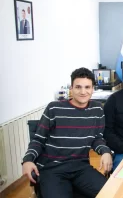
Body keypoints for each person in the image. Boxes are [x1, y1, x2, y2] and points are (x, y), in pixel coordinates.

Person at [21, 68, 113, 198]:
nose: (83, 92)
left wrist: (105, 151)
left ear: (93, 89)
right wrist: (27, 160)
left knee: (111, 193)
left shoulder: (97, 109)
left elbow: (97, 138)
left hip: (81, 167)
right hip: (52, 169)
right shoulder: (54, 108)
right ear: (71, 88)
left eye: (87, 87)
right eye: (78, 87)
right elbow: (38, 140)